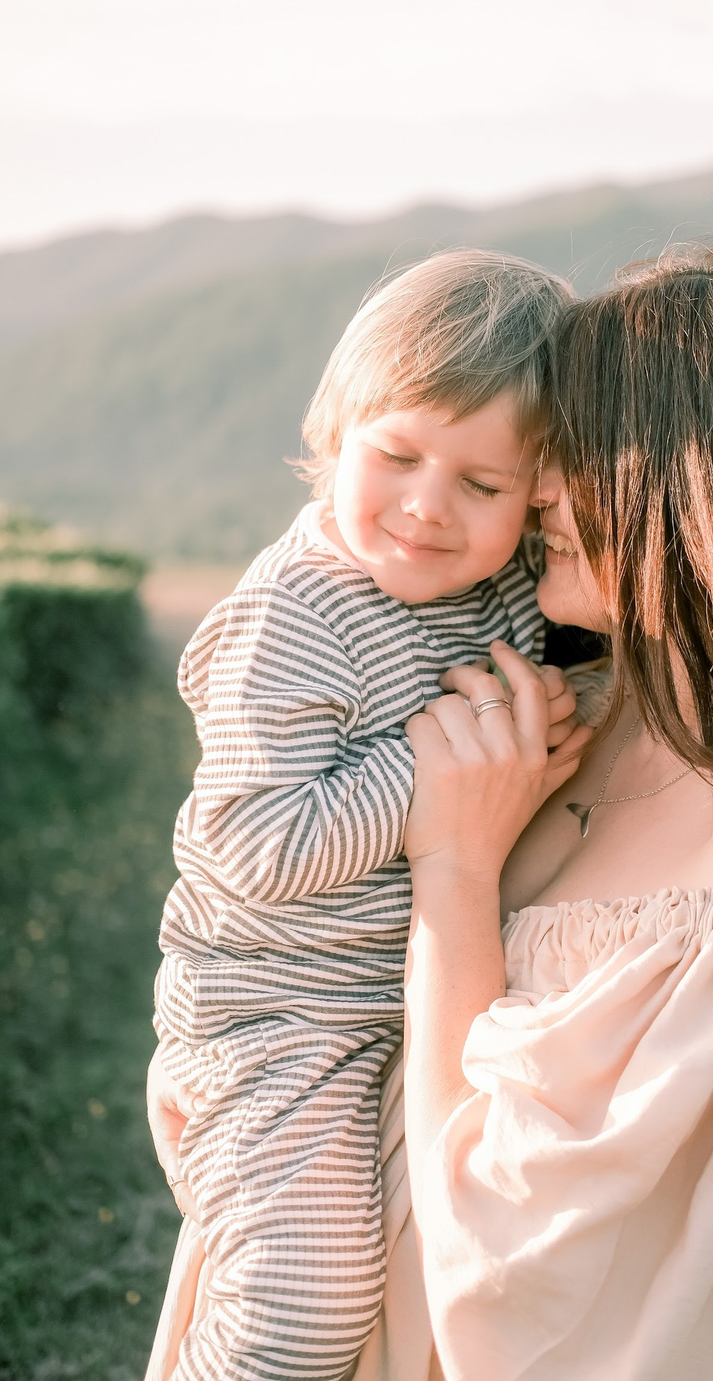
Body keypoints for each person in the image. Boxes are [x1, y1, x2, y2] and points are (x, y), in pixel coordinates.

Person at [150, 240, 713, 1381]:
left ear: (708, 492)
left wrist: (454, 868)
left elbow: (517, 1270)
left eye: (568, 451)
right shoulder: (604, 705)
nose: (537, 485)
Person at [145, 249, 582, 1381]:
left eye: (482, 486)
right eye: (394, 455)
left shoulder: (499, 591)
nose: (427, 506)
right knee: (300, 1317)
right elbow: (253, 843)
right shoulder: (291, 616)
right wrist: (442, 768)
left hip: (408, 1009)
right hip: (278, 1021)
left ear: (537, 495)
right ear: (336, 431)